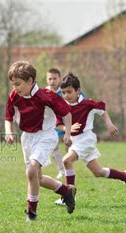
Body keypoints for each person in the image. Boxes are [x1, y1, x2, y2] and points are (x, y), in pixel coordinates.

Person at [4, 61, 77, 222]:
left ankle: (31, 213)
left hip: (45, 136)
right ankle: (66, 191)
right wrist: (8, 132)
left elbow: (67, 113)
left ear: (30, 81)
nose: (15, 88)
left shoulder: (46, 96)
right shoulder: (14, 96)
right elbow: (8, 116)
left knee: (31, 171)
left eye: (18, 84)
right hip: (27, 138)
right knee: (38, 178)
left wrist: (68, 134)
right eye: (13, 84)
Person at [57, 73, 126, 194]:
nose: (66, 95)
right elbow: (58, 124)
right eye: (63, 93)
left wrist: (109, 124)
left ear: (78, 91)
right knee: (98, 172)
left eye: (69, 92)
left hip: (86, 140)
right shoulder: (63, 106)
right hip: (76, 142)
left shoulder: (87, 104)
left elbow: (102, 111)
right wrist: (67, 129)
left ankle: (69, 194)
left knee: (66, 161)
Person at [46, 68, 86, 206]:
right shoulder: (46, 92)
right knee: (57, 148)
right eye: (49, 78)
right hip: (59, 126)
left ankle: (68, 188)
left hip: (73, 127)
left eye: (54, 78)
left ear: (59, 78)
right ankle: (63, 173)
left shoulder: (69, 90)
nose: (52, 81)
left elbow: (84, 106)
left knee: (69, 154)